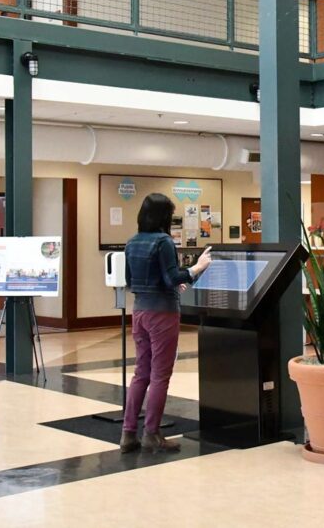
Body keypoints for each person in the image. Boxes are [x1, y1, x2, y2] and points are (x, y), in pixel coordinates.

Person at [121, 193, 211, 454]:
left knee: (141, 373)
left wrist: (170, 281)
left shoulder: (132, 242)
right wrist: (197, 268)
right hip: (163, 315)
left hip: (139, 312)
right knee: (160, 375)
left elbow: (131, 281)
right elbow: (172, 278)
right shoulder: (163, 242)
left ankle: (128, 435)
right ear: (164, 217)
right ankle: (151, 434)